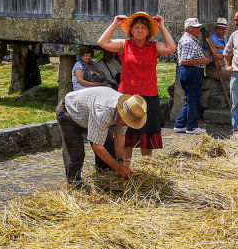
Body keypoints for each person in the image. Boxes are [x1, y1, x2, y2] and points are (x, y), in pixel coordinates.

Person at [97, 12, 177, 160]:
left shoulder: (154, 47)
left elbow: (171, 47)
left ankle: (146, 165)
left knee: (148, 134)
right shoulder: (124, 45)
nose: (140, 30)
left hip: (149, 95)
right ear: (131, 30)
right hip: (127, 96)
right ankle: (125, 166)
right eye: (136, 27)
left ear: (148, 32)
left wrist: (163, 27)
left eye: (143, 28)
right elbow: (102, 42)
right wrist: (115, 23)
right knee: (126, 134)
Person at [56, 87, 146, 186]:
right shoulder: (104, 112)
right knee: (76, 153)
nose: (128, 125)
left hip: (89, 114)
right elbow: (97, 146)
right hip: (70, 112)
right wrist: (118, 168)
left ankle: (105, 181)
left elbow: (120, 135)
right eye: (127, 122)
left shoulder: (128, 108)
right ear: (121, 113)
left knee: (109, 148)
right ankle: (74, 185)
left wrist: (120, 161)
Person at [174, 18, 211, 135]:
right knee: (193, 100)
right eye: (196, 27)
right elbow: (184, 61)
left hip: (192, 71)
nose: (198, 29)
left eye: (198, 27)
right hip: (192, 71)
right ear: (189, 29)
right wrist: (204, 60)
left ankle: (180, 125)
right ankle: (192, 127)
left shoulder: (190, 39)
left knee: (190, 99)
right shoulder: (188, 41)